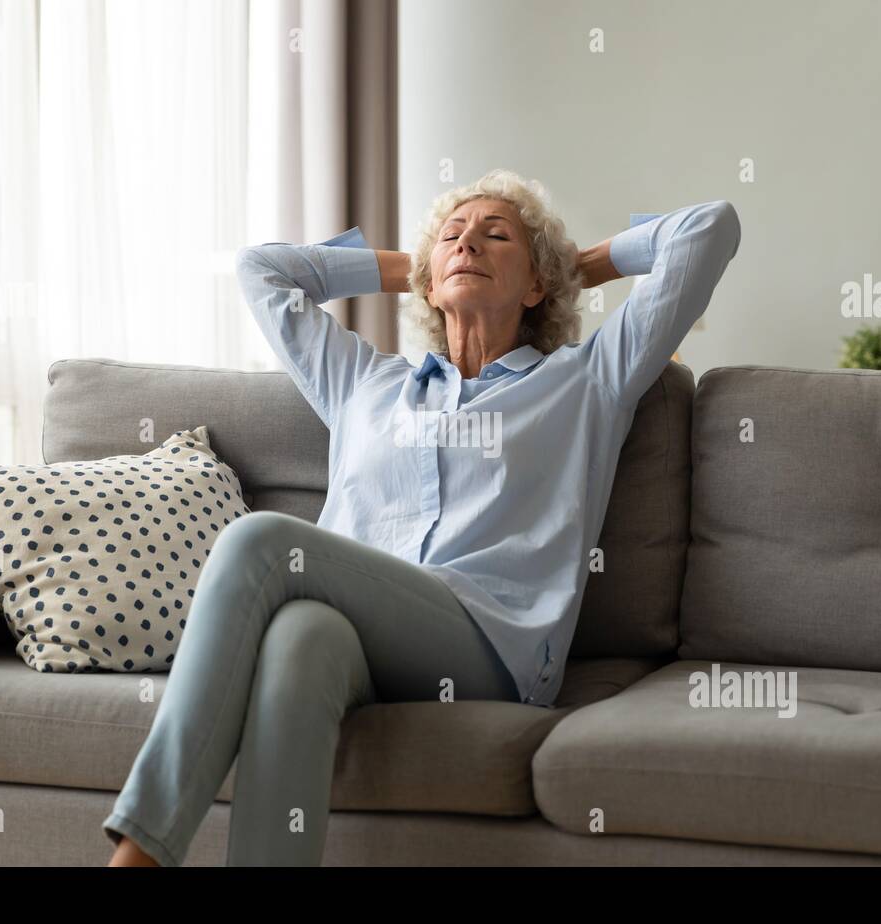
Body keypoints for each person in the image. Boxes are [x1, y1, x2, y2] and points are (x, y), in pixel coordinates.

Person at [104, 168, 741, 866]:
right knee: (300, 638)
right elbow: (262, 270)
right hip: (363, 635)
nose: (469, 242)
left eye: (497, 236)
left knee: (260, 540)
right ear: (429, 288)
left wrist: (575, 267)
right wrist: (417, 268)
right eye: (453, 236)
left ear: (536, 287)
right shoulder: (363, 385)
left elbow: (708, 228)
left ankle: (137, 855)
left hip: (491, 646)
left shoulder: (588, 381)